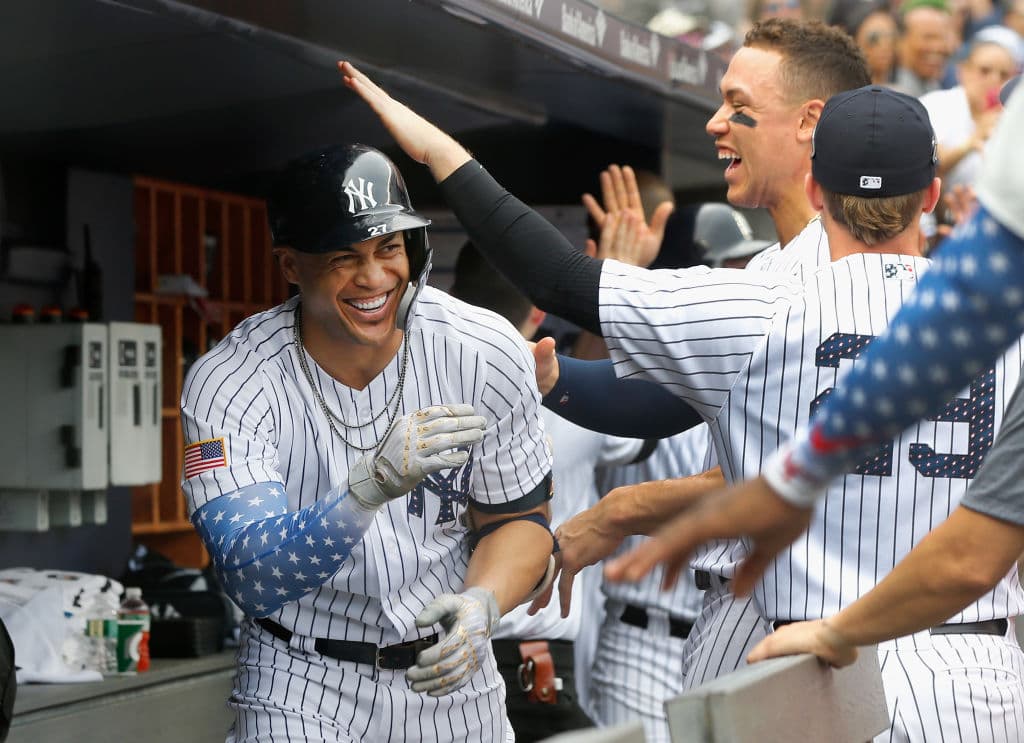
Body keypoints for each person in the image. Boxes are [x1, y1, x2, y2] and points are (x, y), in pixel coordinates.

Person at [610, 80, 1024, 653]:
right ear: (931, 196)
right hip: (973, 658)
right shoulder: (986, 314)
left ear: (815, 188)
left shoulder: (776, 301)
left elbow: (561, 283)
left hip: (809, 637)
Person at [180, 143, 557, 742]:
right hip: (299, 675)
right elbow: (251, 575)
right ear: (290, 265)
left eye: (389, 247)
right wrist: (364, 492)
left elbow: (520, 518)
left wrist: (484, 602)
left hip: (453, 676)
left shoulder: (483, 348)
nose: (375, 277)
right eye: (343, 257)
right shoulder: (233, 380)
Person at [447, 242, 645, 742]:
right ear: (538, 308)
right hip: (529, 671)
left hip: (422, 661)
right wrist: (610, 290)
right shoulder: (553, 393)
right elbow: (631, 427)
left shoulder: (416, 383)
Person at [892, 0, 954, 97]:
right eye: (928, 37)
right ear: (900, 41)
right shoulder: (893, 96)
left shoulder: (936, 85)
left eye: (943, 38)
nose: (938, 47)